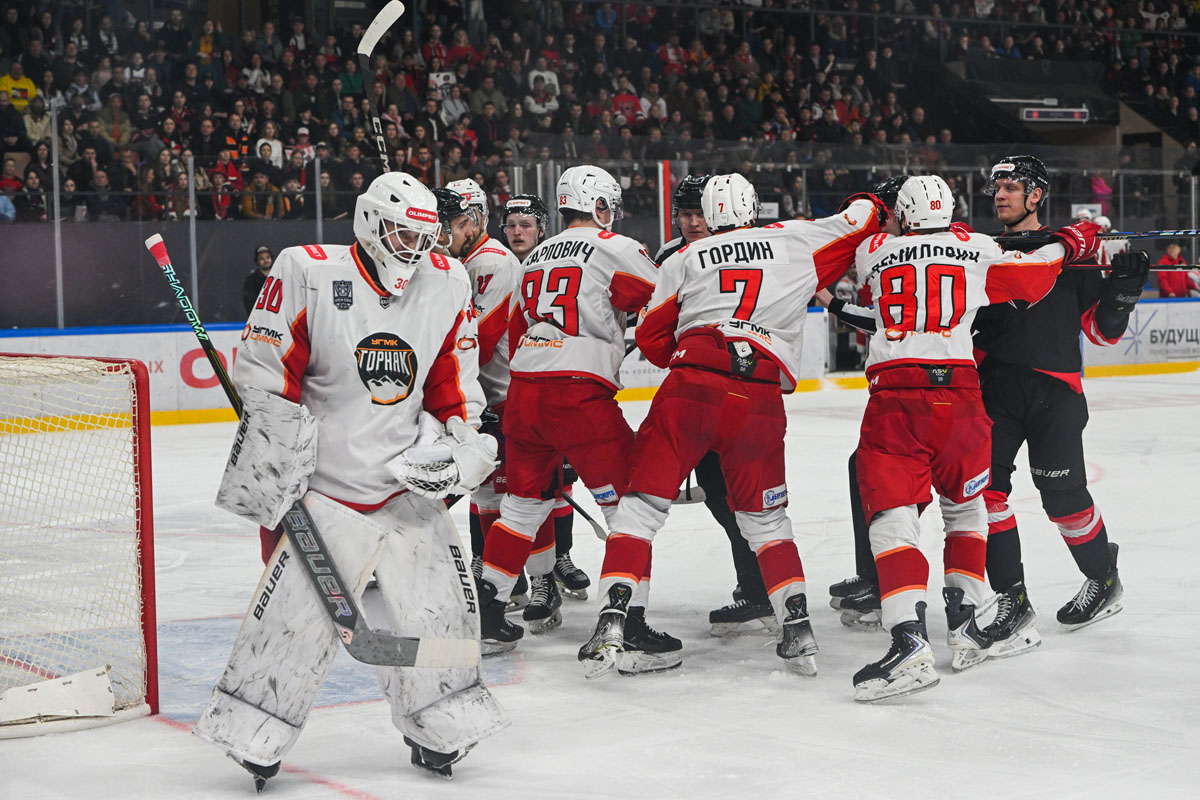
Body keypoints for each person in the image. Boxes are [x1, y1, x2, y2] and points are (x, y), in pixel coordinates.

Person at [194, 172, 507, 789]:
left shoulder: (448, 280)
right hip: (324, 490)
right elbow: (266, 376)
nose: (413, 249)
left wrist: (456, 442)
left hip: (403, 490)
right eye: (400, 233)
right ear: (368, 222)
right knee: (295, 620)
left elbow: (452, 382)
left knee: (439, 611)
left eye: (423, 237)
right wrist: (276, 466)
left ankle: (438, 721)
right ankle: (257, 727)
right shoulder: (307, 270)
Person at [578, 174, 888, 679]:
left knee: (638, 511)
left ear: (709, 213)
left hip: (691, 389)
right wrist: (876, 202)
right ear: (753, 207)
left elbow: (652, 336)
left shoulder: (683, 256)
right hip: (758, 398)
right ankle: (797, 627)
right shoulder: (793, 238)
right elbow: (861, 220)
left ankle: (613, 617)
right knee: (767, 521)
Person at [846, 175, 1095, 702]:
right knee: (965, 510)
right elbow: (1035, 276)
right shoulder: (976, 246)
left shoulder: (875, 250)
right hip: (961, 397)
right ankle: (966, 622)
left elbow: (860, 247)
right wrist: (1069, 242)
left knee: (893, 517)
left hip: (897, 398)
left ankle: (908, 640)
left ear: (904, 215)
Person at [476, 165, 665, 667]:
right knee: (627, 509)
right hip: (579, 395)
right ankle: (628, 620)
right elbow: (666, 298)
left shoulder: (534, 257)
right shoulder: (616, 247)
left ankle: (487, 613)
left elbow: (516, 330)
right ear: (599, 206)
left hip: (525, 392)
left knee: (520, 508)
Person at [974, 155, 1144, 653]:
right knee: (986, 496)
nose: (1000, 194)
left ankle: (1103, 578)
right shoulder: (982, 252)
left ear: (1036, 195)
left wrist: (1122, 295)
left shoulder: (1072, 256)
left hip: (1055, 395)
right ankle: (1011, 599)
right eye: (997, 187)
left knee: (1063, 500)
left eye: (1011, 186)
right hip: (994, 390)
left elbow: (1103, 333)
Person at [653, 174, 776, 637]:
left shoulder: (746, 246)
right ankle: (762, 586)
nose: (692, 223)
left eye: (699, 213)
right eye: (685, 214)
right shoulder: (670, 255)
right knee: (720, 490)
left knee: (740, 495)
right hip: (698, 393)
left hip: (741, 388)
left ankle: (762, 587)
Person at [432, 181, 541, 640]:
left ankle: (509, 580)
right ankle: (500, 580)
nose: (445, 235)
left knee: (494, 492)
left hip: (501, 396)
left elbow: (479, 337)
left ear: (475, 220)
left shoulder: (491, 262)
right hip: (483, 395)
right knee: (485, 492)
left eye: (455, 224)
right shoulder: (461, 261)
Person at [498, 192, 594, 603]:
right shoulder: (498, 268)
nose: (517, 232)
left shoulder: (559, 262)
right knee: (512, 491)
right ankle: (522, 575)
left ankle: (559, 558)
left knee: (561, 482)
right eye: (511, 226)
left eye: (526, 225)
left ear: (542, 229)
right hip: (508, 394)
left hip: (553, 390)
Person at [242, 245, 274, 315]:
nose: (266, 260)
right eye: (261, 258)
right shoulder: (251, 281)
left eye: (268, 257)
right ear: (257, 261)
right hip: (261, 318)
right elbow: (250, 304)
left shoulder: (279, 277)